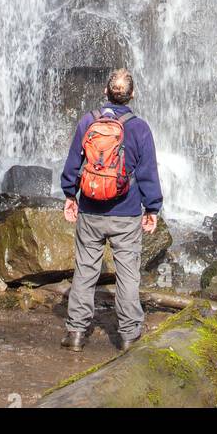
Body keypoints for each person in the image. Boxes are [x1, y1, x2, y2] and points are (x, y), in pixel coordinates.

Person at [60, 67, 163, 352]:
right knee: (128, 274)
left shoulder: (87, 122)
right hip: (126, 213)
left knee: (84, 271)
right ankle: (129, 335)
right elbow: (147, 173)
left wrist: (70, 195)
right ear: (133, 96)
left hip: (91, 211)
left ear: (105, 92)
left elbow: (73, 164)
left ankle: (76, 333)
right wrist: (152, 208)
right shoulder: (139, 128)